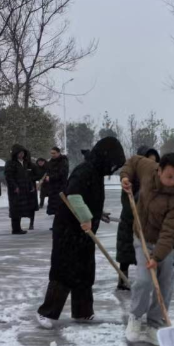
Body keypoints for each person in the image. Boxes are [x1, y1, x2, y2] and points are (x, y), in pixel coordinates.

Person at [36, 137, 127, 328]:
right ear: (104, 158)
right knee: (64, 271)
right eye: (112, 164)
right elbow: (73, 196)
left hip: (85, 230)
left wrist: (97, 214)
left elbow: (87, 199)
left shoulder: (95, 172)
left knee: (85, 272)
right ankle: (47, 313)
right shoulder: (85, 170)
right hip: (69, 230)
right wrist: (86, 218)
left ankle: (83, 312)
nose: (112, 169)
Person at [119, 151, 174, 346]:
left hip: (168, 246)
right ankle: (135, 317)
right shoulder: (148, 169)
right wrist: (125, 177)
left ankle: (154, 323)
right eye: (170, 176)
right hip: (142, 237)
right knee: (143, 281)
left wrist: (157, 256)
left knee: (164, 285)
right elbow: (133, 161)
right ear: (159, 171)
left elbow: (170, 231)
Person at [114, 146, 159, 291]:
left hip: (147, 221)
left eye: (154, 162)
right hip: (129, 220)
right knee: (126, 251)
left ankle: (146, 279)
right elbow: (127, 201)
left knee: (146, 251)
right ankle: (123, 278)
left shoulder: (154, 177)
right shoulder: (131, 178)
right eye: (148, 161)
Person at [5, 145, 37, 234]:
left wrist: (31, 185)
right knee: (15, 209)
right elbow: (9, 176)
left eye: (23, 153)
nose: (21, 155)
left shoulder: (25, 163)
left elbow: (27, 176)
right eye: (20, 153)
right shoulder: (11, 163)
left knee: (20, 209)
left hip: (24, 189)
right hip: (15, 190)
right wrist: (14, 186)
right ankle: (15, 229)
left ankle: (18, 228)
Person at [43, 146, 69, 217]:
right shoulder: (50, 162)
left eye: (54, 153)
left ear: (58, 153)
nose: (52, 155)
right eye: (51, 153)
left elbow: (62, 174)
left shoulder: (63, 161)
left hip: (60, 186)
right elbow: (48, 171)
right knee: (55, 208)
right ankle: (57, 225)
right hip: (52, 187)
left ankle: (60, 225)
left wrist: (51, 177)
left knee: (60, 206)